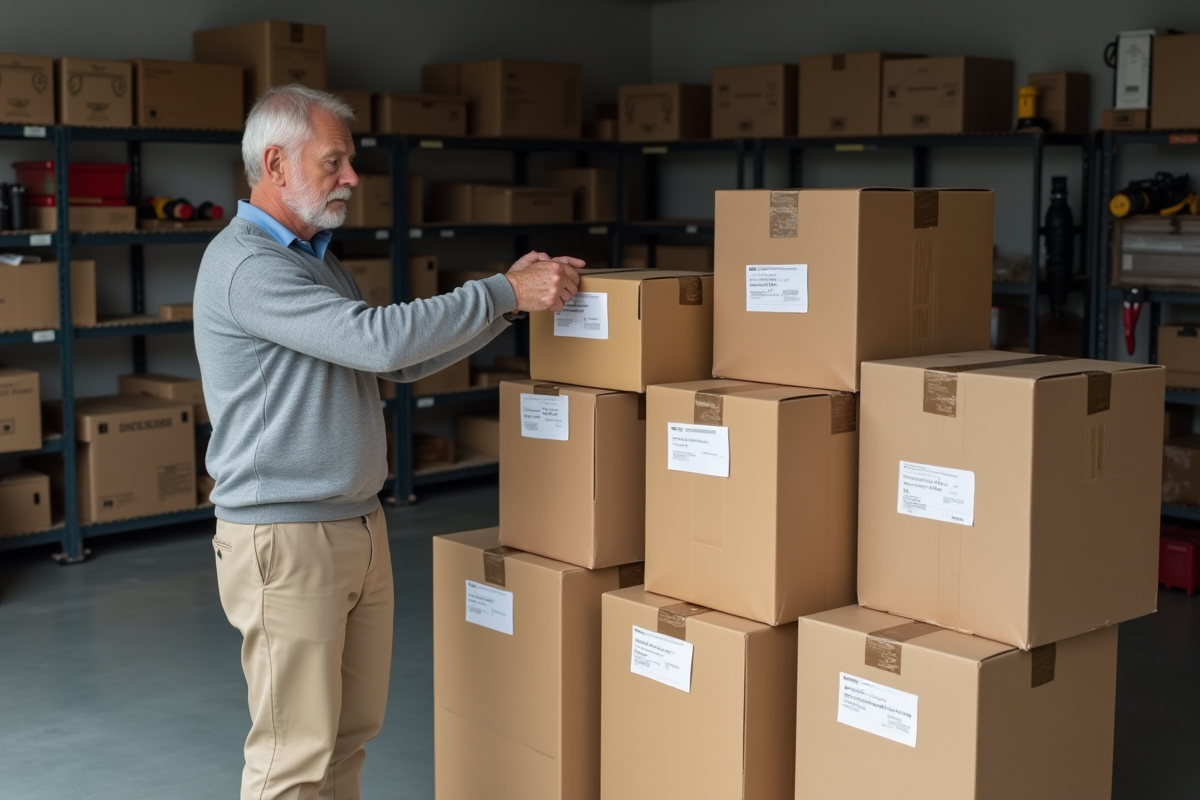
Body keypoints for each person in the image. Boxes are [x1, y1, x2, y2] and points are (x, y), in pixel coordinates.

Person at [194, 84, 581, 800]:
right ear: (275, 164)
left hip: (353, 525)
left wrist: (505, 312)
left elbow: (395, 362)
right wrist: (500, 291)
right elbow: (375, 340)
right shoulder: (250, 264)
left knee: (347, 738)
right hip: (288, 539)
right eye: (334, 161)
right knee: (293, 759)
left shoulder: (311, 255)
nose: (351, 179)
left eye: (350, 162)